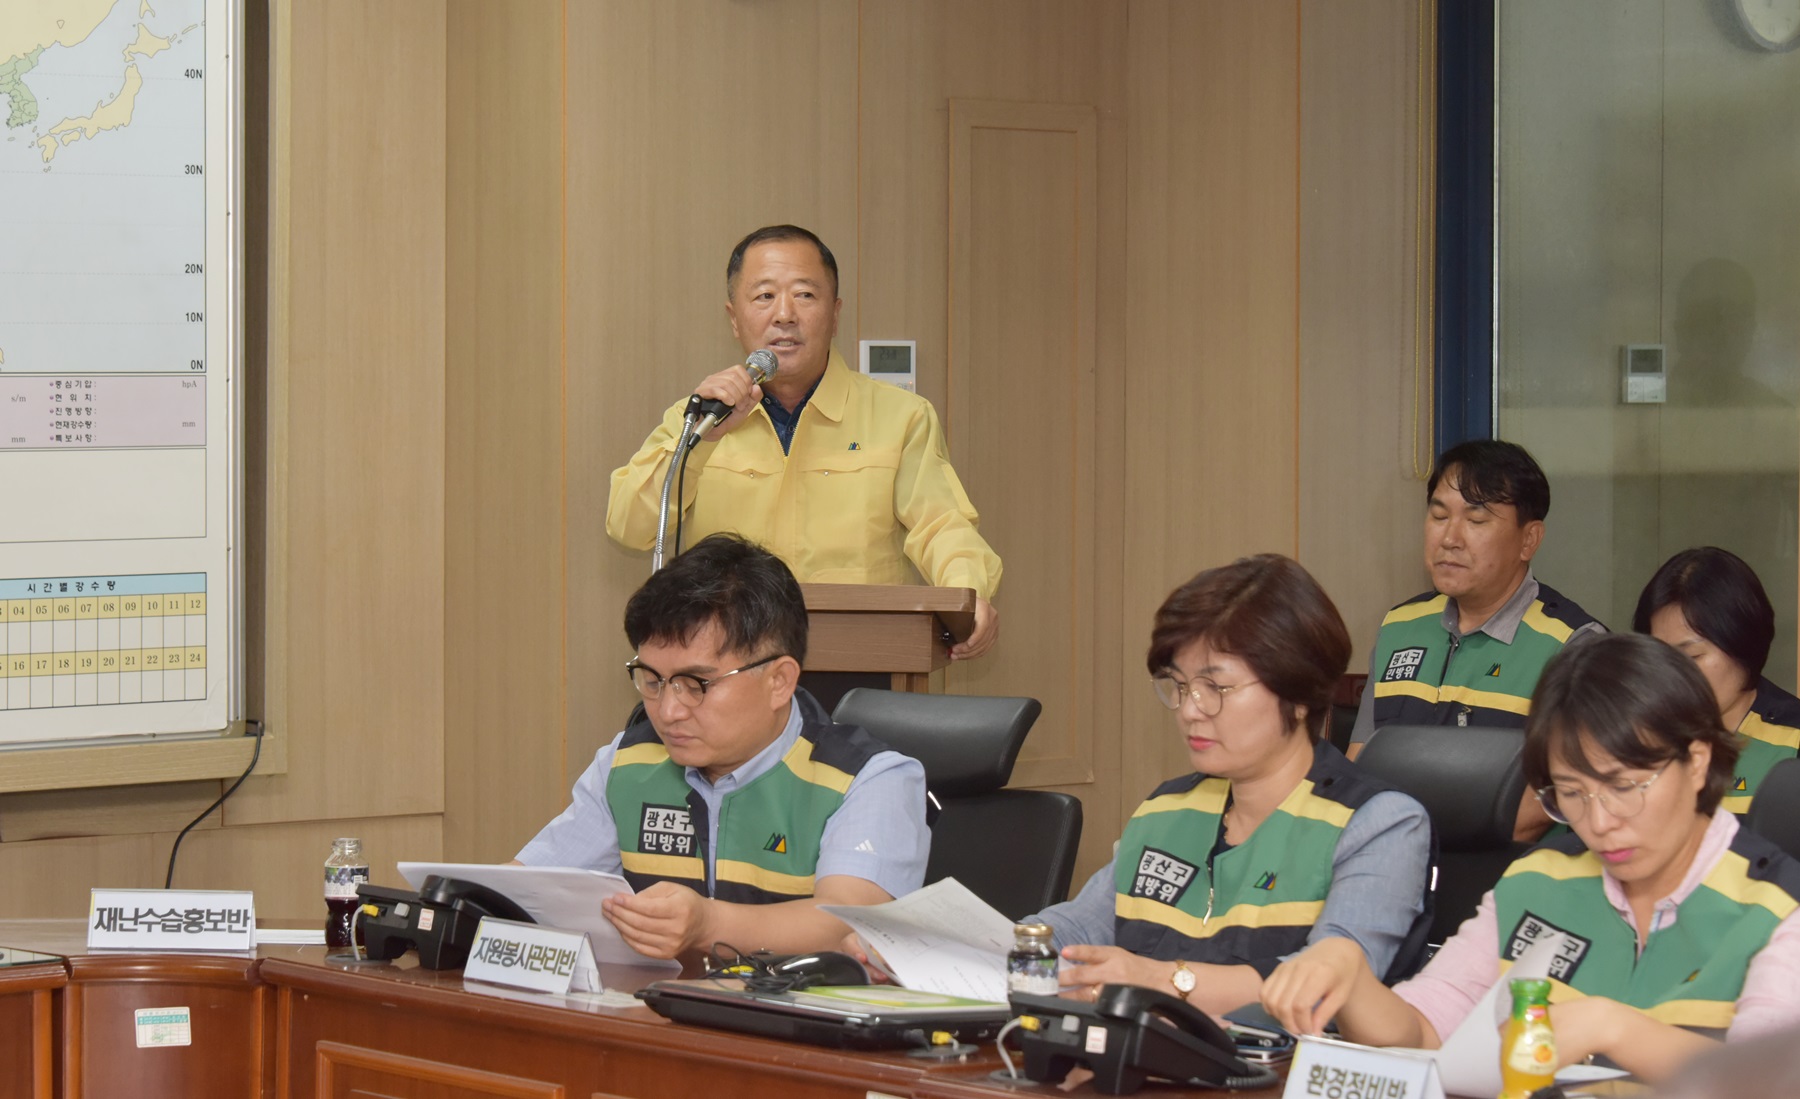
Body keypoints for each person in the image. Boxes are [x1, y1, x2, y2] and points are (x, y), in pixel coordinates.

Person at [1263, 633, 1800, 1085]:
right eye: (1570, 792)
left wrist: (1613, 1028)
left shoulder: (1778, 908)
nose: (1599, 820)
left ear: (1698, 762)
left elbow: (1770, 1084)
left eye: (1624, 786)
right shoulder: (1539, 880)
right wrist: (1349, 975)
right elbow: (1424, 1030)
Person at [1028, 554, 1433, 1015]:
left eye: (1215, 688)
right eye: (1179, 685)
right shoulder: (1168, 810)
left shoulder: (1379, 824)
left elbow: (1329, 984)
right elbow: (1074, 933)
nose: (1189, 709)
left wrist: (1159, 979)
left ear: (1298, 694)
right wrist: (976, 945)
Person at [515, 533, 929, 960]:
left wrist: (708, 925)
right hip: (655, 1018)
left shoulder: (866, 777)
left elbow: (849, 921)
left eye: (696, 684)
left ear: (779, 681)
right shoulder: (628, 762)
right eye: (653, 681)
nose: (669, 710)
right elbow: (526, 889)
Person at [605, 224, 1002, 660]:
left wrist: (969, 595)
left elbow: (942, 526)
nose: (784, 315)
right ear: (734, 318)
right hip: (728, 670)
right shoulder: (699, 417)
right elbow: (631, 526)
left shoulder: (900, 417)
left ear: (835, 314)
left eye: (805, 295)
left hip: (860, 663)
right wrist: (703, 440)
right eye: (763, 296)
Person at [1347, 439, 1603, 838]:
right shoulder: (1400, 626)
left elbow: (1559, 799)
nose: (1450, 538)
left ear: (1529, 540)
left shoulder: (1574, 646)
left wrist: (1420, 839)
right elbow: (1359, 769)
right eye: (1438, 515)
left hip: (1507, 876)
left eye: (1476, 520)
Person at [1636, 546, 1800, 815]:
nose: (1672, 674)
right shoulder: (1632, 735)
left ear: (1742, 642)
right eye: (1660, 656)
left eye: (1691, 656)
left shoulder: (1792, 741)